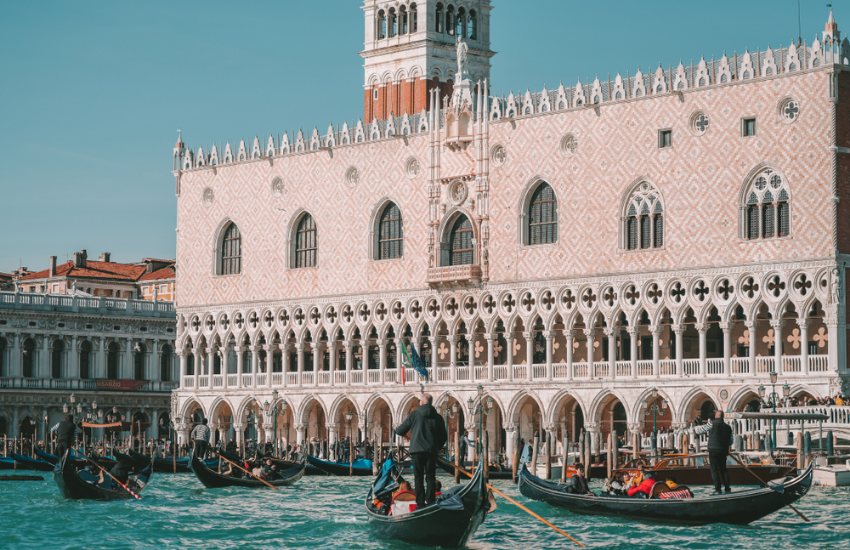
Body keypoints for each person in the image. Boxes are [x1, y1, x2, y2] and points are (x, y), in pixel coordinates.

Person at [394, 392, 448, 508]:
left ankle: (420, 504)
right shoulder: (438, 417)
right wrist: (436, 447)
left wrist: (401, 431)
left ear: (421, 402)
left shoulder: (415, 414)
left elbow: (399, 431)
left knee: (418, 478)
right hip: (431, 451)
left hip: (417, 451)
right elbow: (444, 437)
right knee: (430, 477)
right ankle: (430, 502)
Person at [694, 409, 733, 494]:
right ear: (723, 417)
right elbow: (731, 441)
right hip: (723, 451)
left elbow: (699, 430)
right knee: (723, 469)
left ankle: (718, 490)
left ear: (716, 416)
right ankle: (727, 488)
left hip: (713, 450)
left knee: (714, 470)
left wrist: (696, 426)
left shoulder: (712, 424)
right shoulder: (728, 427)